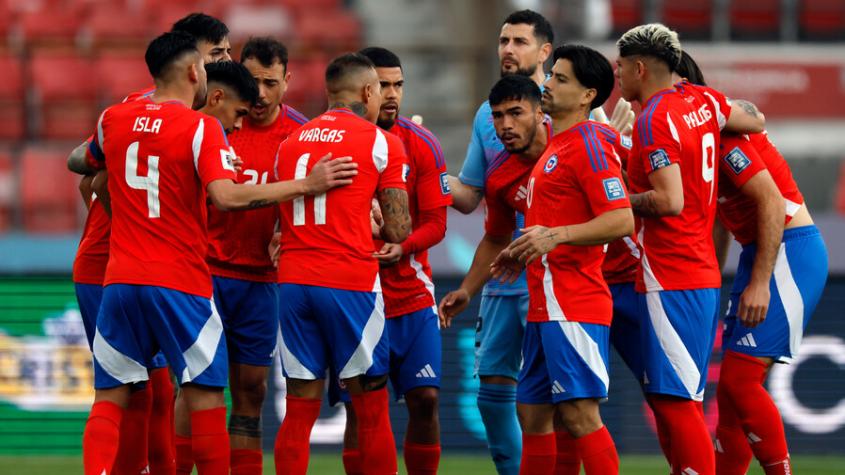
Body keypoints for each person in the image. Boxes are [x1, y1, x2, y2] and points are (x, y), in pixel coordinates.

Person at [73, 31, 356, 475]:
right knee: (205, 395)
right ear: (193, 72)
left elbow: (87, 172)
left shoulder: (114, 117)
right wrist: (307, 184)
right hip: (180, 281)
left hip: (120, 280)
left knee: (110, 397)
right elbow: (226, 198)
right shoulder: (199, 127)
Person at [69, 13, 235, 475]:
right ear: (191, 61)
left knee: (140, 390)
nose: (223, 62)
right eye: (216, 53)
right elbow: (89, 176)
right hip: (135, 267)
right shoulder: (189, 121)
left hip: (124, 270)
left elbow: (87, 171)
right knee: (163, 391)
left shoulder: (121, 116)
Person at [614, 23, 765, 474]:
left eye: (621, 68)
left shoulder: (653, 119)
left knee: (676, 403)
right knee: (680, 399)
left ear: (640, 68)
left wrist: (616, 198)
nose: (617, 78)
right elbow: (753, 119)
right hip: (700, 272)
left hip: (671, 273)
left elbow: (668, 200)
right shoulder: (705, 101)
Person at [675, 52, 829, 475]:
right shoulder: (701, 139)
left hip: (787, 251)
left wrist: (758, 282)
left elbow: (772, 201)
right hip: (759, 253)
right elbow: (721, 220)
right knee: (729, 393)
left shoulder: (722, 138)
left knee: (741, 382)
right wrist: (711, 278)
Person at [488, 44, 633, 475]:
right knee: (533, 416)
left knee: (579, 416)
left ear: (589, 95)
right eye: (551, 76)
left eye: (561, 78)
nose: (547, 83)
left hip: (573, 302)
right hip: (542, 303)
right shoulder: (558, 147)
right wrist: (521, 252)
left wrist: (556, 236)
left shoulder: (588, 145)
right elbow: (549, 225)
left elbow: (621, 218)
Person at [272, 53, 411, 475]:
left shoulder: (290, 142)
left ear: (329, 92)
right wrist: (375, 224)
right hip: (348, 281)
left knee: (298, 409)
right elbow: (400, 228)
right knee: (370, 406)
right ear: (368, 92)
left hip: (294, 282)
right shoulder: (381, 141)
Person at [323, 46, 451, 475]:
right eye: (383, 86)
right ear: (364, 89)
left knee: (426, 400)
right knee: (360, 409)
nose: (392, 95)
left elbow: (436, 223)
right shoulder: (334, 142)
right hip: (356, 296)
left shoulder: (422, 145)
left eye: (398, 84)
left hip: (411, 295)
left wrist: (404, 245)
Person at [188, 37, 308, 475]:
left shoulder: (300, 134)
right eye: (252, 81)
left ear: (287, 81)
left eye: (270, 83)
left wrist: (286, 230)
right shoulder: (211, 122)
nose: (259, 94)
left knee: (252, 389)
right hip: (204, 270)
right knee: (198, 385)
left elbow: (310, 205)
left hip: (261, 279)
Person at [444, 11, 553, 474]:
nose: (508, 49)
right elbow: (474, 196)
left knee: (562, 405)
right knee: (494, 393)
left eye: (520, 41)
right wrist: (419, 175)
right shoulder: (485, 117)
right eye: (503, 40)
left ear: (544, 51)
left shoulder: (577, 109)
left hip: (562, 275)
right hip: (508, 272)